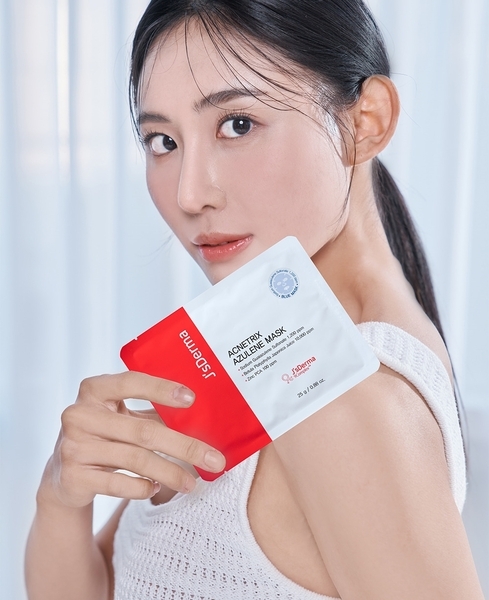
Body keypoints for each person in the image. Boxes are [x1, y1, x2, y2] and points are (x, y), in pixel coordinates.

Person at [25, 1, 485, 598]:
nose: (189, 194)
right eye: (163, 140)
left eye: (237, 125)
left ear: (366, 121)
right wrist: (61, 496)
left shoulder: (340, 392)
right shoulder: (272, 338)